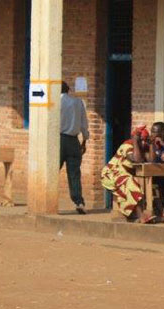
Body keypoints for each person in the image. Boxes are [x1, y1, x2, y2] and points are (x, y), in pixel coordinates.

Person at [100, 126, 153, 224]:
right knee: (131, 183)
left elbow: (151, 161)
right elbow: (136, 160)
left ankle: (136, 214)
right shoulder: (127, 145)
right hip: (111, 174)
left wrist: (151, 145)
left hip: (124, 174)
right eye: (142, 140)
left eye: (146, 140)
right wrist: (135, 142)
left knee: (142, 184)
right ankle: (141, 216)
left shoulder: (143, 147)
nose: (144, 142)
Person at [59, 81, 89, 214]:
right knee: (74, 174)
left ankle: (47, 200)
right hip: (74, 140)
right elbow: (84, 123)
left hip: (58, 140)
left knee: (52, 171)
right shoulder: (78, 102)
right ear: (68, 90)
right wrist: (84, 141)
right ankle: (79, 202)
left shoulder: (54, 103)